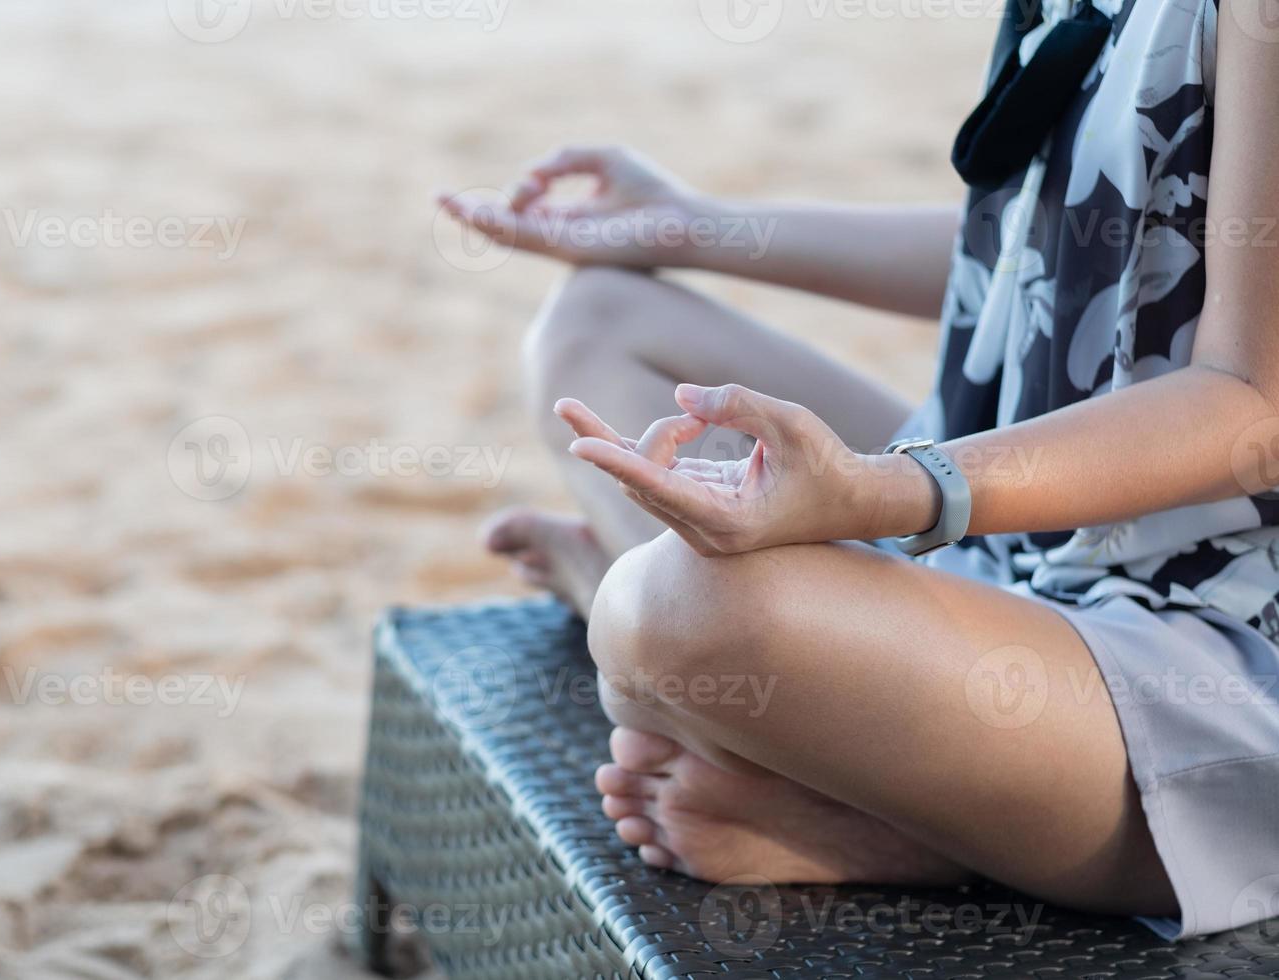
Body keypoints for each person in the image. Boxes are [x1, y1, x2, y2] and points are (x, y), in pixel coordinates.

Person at [438, 0, 1279, 939]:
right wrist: (684, 227)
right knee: (597, 323)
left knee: (676, 604)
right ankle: (812, 727)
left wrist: (882, 491)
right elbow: (1033, 252)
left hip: (1204, 650)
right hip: (1008, 530)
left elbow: (1254, 401)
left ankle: (893, 816)